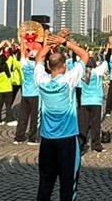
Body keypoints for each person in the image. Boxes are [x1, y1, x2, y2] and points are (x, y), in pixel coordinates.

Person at [34, 29, 90, 201]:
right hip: (67, 139)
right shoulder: (69, 79)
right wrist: (64, 42)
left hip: (47, 139)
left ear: (49, 67)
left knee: (45, 183)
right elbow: (85, 56)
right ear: (65, 67)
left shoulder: (41, 80)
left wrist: (51, 43)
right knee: (68, 184)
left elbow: (38, 58)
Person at [77, 55, 108, 153]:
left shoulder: (81, 74)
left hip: (85, 101)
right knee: (96, 125)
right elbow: (106, 62)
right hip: (96, 101)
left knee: (83, 125)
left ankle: (81, 144)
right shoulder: (97, 72)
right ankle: (96, 145)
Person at [13, 47, 40, 146]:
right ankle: (32, 139)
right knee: (34, 118)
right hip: (35, 95)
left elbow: (23, 53)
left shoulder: (24, 64)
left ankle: (18, 137)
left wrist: (24, 47)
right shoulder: (38, 67)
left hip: (25, 95)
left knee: (22, 117)